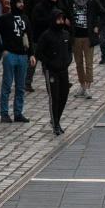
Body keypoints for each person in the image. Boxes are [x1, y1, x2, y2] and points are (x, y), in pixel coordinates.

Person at [0, 0, 36, 123]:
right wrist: (3, 50)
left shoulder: (25, 18)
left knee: (20, 86)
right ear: (13, 3)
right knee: (7, 85)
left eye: (22, 2)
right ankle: (4, 113)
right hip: (10, 55)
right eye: (19, 2)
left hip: (23, 56)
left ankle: (18, 113)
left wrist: (31, 54)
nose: (21, 4)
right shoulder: (4, 19)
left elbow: (29, 37)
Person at [35, 8, 73, 136]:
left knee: (64, 95)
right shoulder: (46, 35)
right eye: (58, 19)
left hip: (64, 70)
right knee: (54, 97)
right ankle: (55, 123)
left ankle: (57, 119)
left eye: (62, 19)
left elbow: (69, 50)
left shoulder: (66, 34)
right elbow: (39, 52)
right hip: (51, 71)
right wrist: (49, 63)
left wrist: (68, 61)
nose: (60, 21)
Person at [71, 0, 105, 99]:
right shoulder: (72, 1)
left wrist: (98, 26)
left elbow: (103, 14)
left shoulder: (92, 1)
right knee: (78, 63)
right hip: (76, 36)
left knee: (89, 63)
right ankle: (82, 85)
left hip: (88, 36)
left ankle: (88, 88)